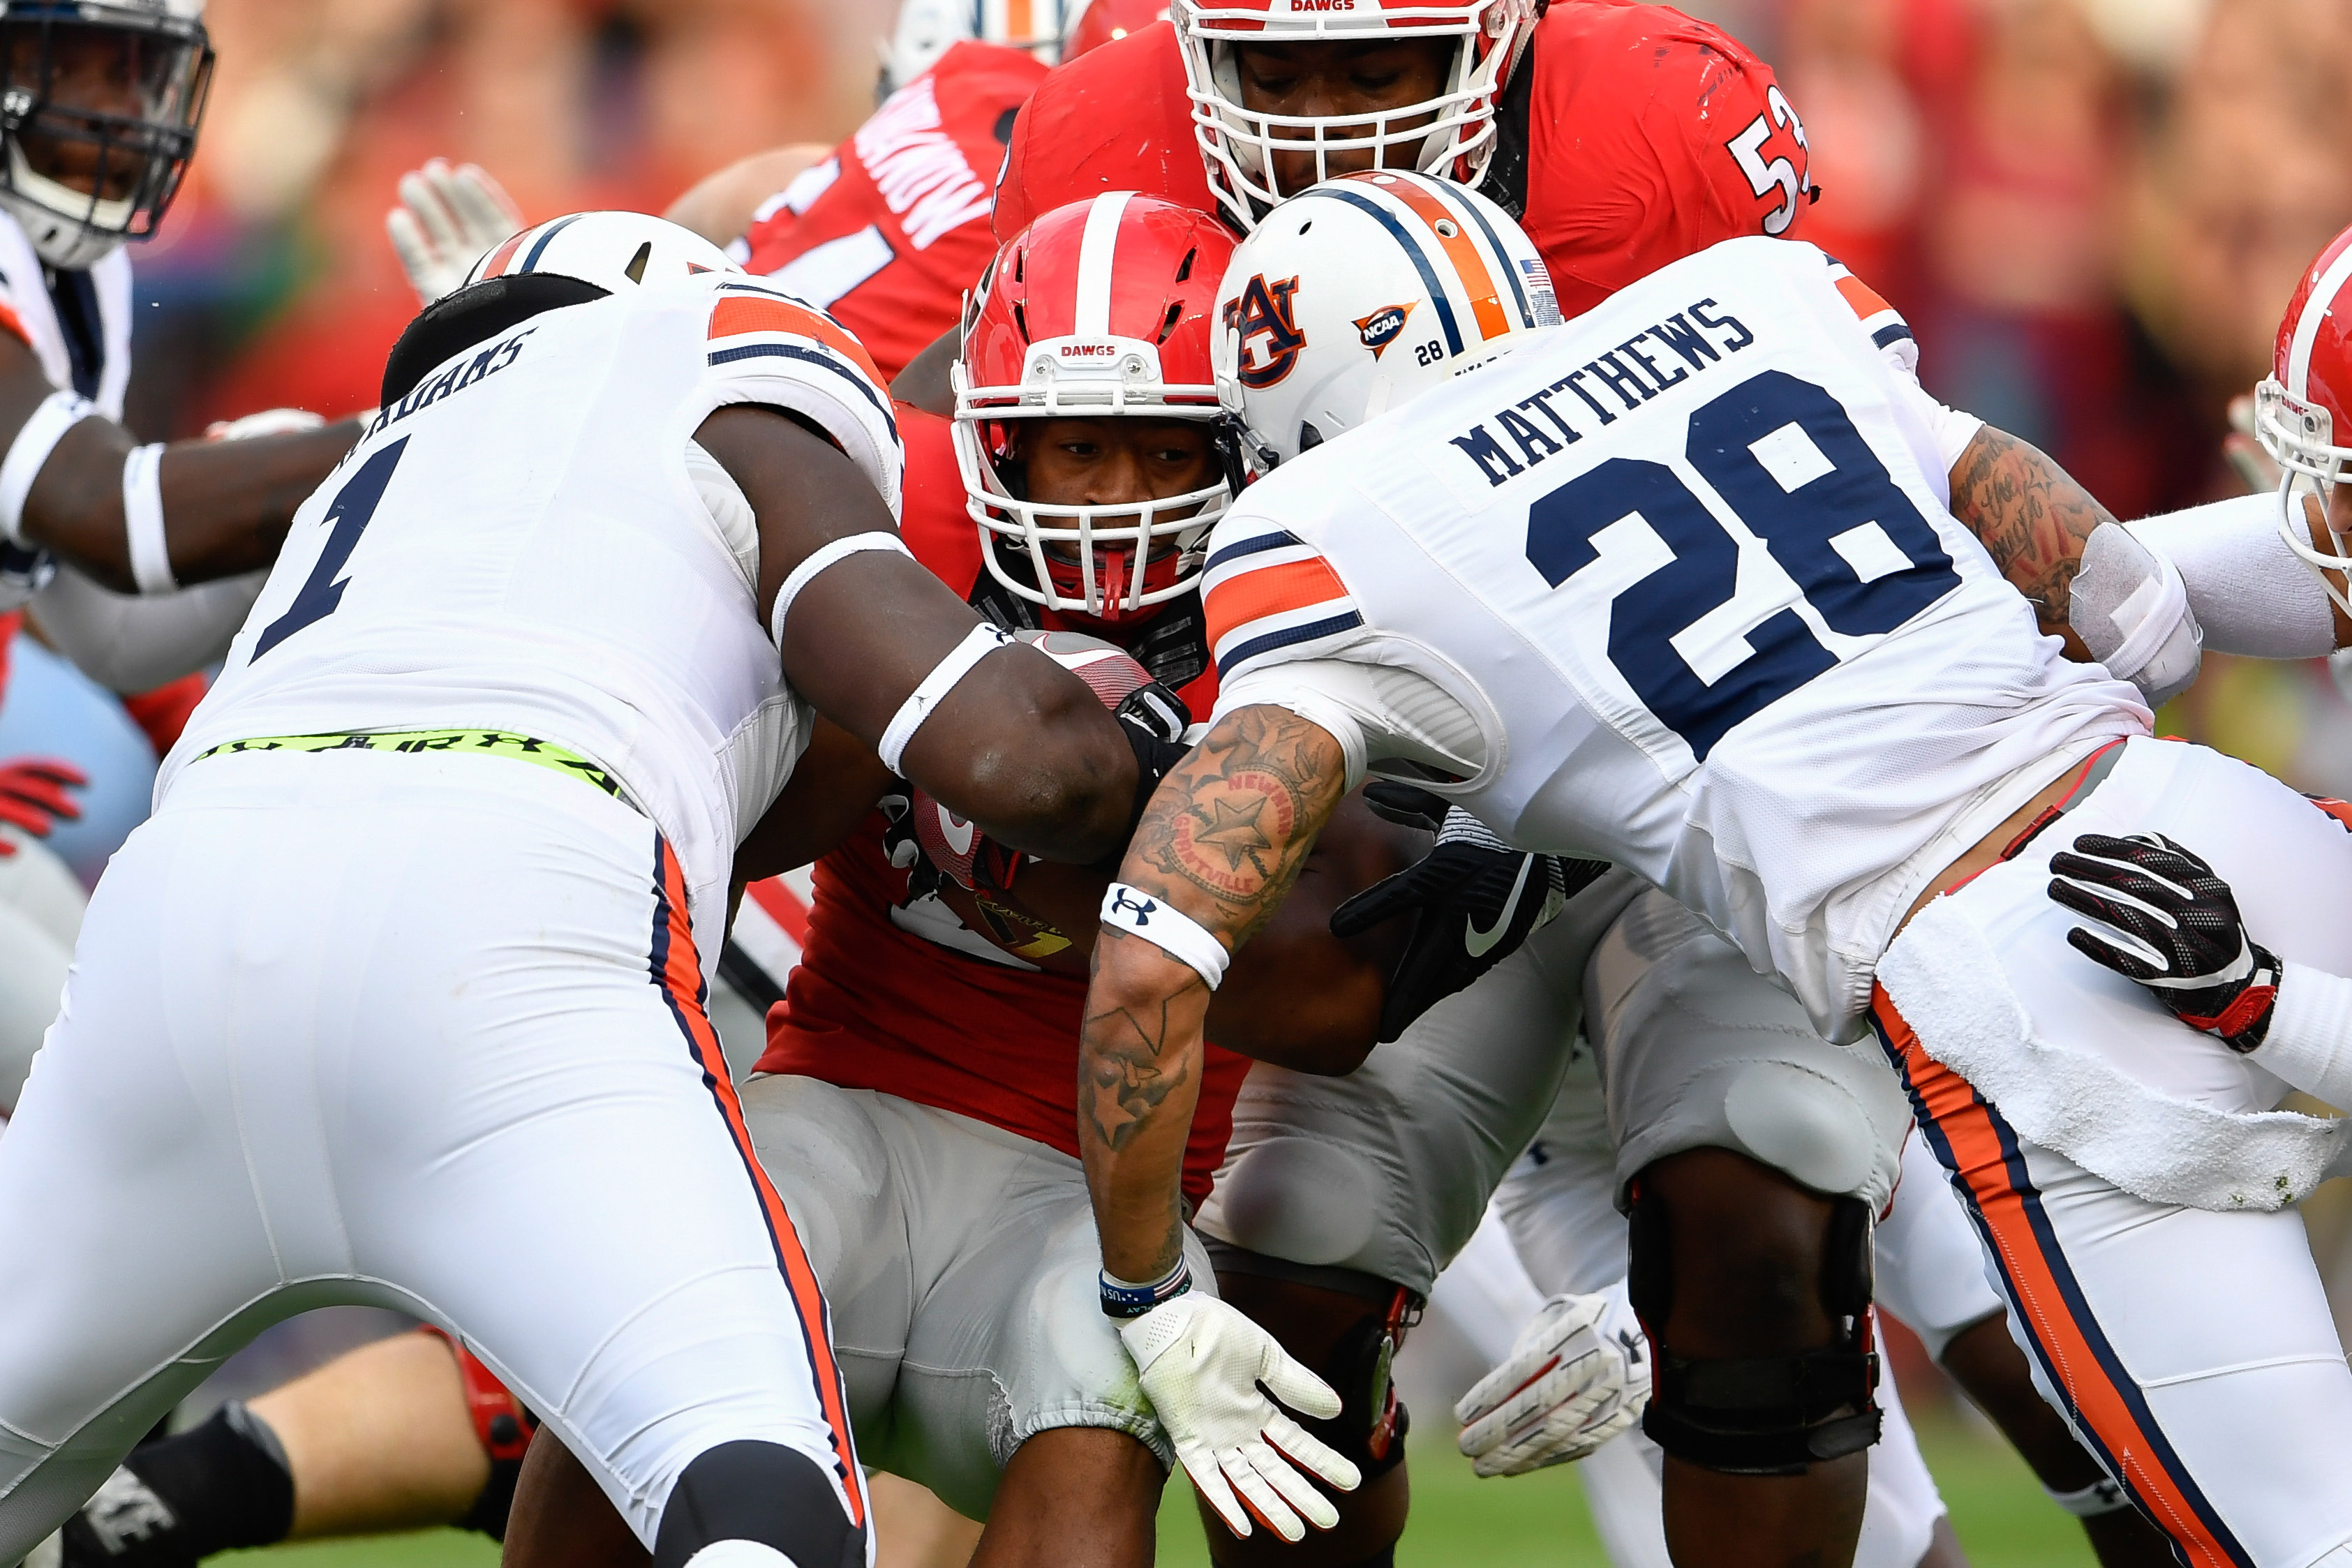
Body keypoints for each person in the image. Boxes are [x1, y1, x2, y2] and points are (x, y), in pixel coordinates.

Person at [1078, 167, 2352, 1568]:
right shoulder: (1761, 291)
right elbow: (2129, 612)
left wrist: (1142, 1290)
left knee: (2292, 1536)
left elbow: (1151, 964)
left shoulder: (1324, 526)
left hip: (2014, 963)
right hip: (2207, 813)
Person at [0, 208, 1168, 1568]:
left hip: (185, 918)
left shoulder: (378, 456)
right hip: (510, 913)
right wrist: (1187, 770)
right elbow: (1022, 765)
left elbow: (106, 582)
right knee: (756, 1499)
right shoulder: (732, 370)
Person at [0, 0, 372, 1110]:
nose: (123, 111)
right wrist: (425, 416)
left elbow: (81, 600)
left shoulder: (72, 268)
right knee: (110, 1102)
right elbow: (107, 515)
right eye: (82, 69)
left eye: (139, 73)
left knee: (123, 1063)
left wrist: (203, 765)